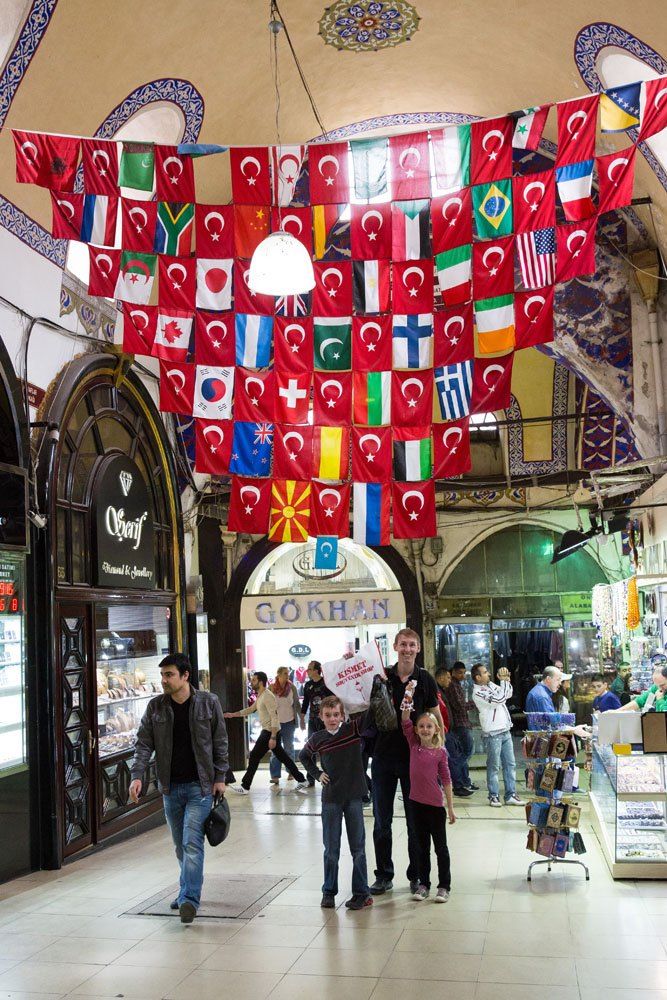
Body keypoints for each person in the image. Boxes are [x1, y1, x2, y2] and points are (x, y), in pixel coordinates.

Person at [128, 653, 228, 924]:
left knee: (191, 841)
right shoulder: (156, 707)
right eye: (162, 675)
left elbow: (220, 741)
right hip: (170, 788)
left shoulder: (209, 702)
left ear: (185, 675)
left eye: (169, 674)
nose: (164, 680)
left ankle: (189, 900)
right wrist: (137, 776)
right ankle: (186, 889)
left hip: (201, 787)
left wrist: (220, 777)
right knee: (179, 846)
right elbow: (143, 744)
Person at [369, 628, 443, 896]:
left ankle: (416, 875)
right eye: (403, 645)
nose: (408, 649)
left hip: (416, 763)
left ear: (419, 648)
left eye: (412, 645)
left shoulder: (425, 679)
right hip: (382, 758)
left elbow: (436, 718)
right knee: (381, 821)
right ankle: (384, 875)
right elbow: (353, 697)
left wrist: (439, 753)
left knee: (416, 822)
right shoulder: (382, 677)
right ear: (395, 646)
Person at [299, 695, 373, 911]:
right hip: (331, 797)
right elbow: (304, 756)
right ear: (321, 717)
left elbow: (370, 714)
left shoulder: (352, 730)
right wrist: (316, 773)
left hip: (353, 796)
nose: (332, 719)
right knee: (331, 848)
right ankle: (329, 892)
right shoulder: (317, 738)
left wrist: (370, 687)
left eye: (336, 715)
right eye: (328, 715)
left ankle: (362, 892)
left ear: (343, 715)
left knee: (358, 847)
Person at [400, 682, 455, 902]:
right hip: (415, 804)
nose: (424, 729)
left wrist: (450, 807)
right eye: (421, 726)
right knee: (421, 847)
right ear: (416, 730)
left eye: (429, 726)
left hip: (435, 806)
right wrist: (409, 694)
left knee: (440, 848)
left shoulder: (440, 752)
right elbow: (405, 718)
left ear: (436, 730)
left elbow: (447, 780)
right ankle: (423, 884)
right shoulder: (414, 745)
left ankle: (444, 885)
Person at [225, 671, 308, 792]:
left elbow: (274, 716)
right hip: (270, 731)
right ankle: (302, 780)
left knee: (254, 757)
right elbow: (251, 709)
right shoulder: (261, 695)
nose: (251, 682)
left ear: (261, 682)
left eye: (253, 680)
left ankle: (245, 786)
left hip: (269, 732)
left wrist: (273, 737)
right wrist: (233, 715)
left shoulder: (268, 696)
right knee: (283, 757)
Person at [471, 664, 524, 808]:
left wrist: (506, 680)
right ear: (477, 677)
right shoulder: (478, 693)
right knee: (494, 766)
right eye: (485, 672)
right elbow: (498, 700)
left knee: (510, 764)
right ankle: (493, 796)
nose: (489, 674)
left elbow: (507, 694)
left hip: (505, 730)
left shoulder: (490, 685)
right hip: (493, 733)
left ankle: (510, 795)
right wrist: (504, 682)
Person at [442, 662, 476, 798]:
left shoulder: (457, 685)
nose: (462, 675)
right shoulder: (453, 687)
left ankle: (464, 781)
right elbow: (459, 705)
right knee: (464, 753)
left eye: (464, 672)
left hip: (462, 723)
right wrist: (474, 703)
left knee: (464, 752)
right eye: (460, 673)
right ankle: (459, 781)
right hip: (459, 724)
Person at [301, 661, 334, 786]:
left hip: (324, 721)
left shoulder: (326, 683)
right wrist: (302, 718)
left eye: (309, 669)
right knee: (310, 748)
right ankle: (311, 776)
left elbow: (332, 700)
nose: (307, 671)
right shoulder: (308, 685)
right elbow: (305, 702)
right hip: (312, 719)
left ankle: (327, 774)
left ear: (316, 670)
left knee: (326, 747)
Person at [269, 667, 301, 785]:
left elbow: (297, 704)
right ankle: (275, 775)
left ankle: (291, 772)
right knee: (275, 749)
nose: (287, 675)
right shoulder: (271, 688)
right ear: (278, 675)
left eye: (288, 673)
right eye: (285, 673)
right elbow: (267, 704)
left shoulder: (292, 687)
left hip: (289, 722)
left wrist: (301, 719)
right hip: (275, 723)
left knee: (289, 748)